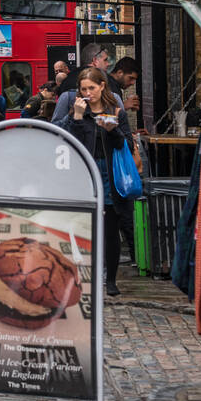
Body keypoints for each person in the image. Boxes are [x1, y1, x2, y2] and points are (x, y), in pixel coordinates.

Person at [53, 66, 136, 297]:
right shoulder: (77, 111)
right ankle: (83, 274)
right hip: (83, 173)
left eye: (92, 87)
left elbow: (127, 145)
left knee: (110, 229)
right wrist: (78, 118)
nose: (88, 92)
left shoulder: (116, 112)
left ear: (102, 86)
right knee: (82, 227)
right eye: (84, 89)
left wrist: (112, 131)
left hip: (109, 173)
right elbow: (66, 141)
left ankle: (110, 280)